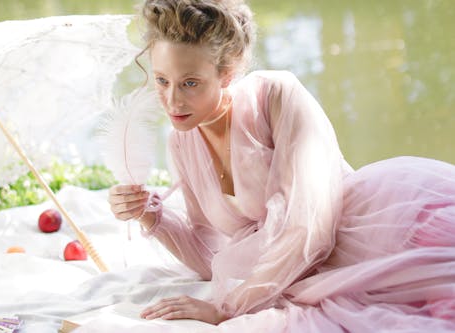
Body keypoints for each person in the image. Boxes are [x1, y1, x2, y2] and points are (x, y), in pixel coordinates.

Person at [108, 0, 455, 331]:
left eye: (190, 83)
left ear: (227, 72)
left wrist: (226, 308)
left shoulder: (275, 95)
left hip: (374, 229)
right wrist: (151, 216)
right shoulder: (182, 141)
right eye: (161, 80)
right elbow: (212, 256)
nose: (172, 100)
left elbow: (310, 229)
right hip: (305, 270)